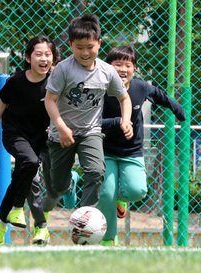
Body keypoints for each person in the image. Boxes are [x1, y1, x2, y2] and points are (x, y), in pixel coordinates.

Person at [43, 13, 133, 219]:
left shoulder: (107, 71)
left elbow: (124, 98)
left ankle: (84, 216)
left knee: (95, 171)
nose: (85, 53)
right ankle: (71, 183)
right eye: (79, 47)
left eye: (90, 47)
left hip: (90, 131)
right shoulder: (64, 70)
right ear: (70, 44)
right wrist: (62, 127)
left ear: (99, 44)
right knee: (58, 186)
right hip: (61, 134)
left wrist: (126, 120)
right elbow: (49, 100)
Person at [98, 45, 185, 246]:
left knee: (137, 191)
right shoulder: (100, 89)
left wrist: (178, 110)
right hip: (106, 150)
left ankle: (122, 199)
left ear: (134, 69)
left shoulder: (141, 88)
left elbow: (161, 96)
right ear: (108, 68)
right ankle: (109, 238)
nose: (122, 69)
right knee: (106, 193)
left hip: (131, 151)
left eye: (127, 65)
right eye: (117, 64)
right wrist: (119, 122)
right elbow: (93, 121)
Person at [0, 35, 58, 245]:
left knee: (21, 178)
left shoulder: (55, 82)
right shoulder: (16, 81)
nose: (44, 59)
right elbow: (2, 103)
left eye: (48, 55)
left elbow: (62, 107)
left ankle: (1, 220)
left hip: (40, 138)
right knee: (30, 163)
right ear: (27, 57)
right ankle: (17, 209)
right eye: (39, 54)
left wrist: (56, 124)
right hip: (15, 134)